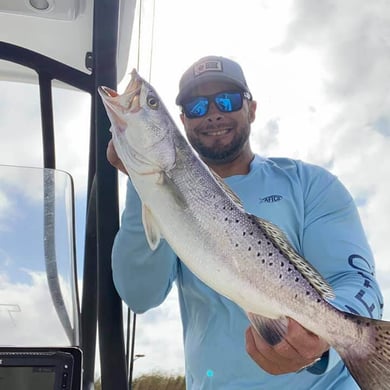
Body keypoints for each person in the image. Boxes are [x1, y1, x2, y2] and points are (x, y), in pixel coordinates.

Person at [107, 55, 384, 389]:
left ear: (251, 109)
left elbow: (356, 280)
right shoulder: (154, 193)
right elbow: (139, 295)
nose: (212, 113)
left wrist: (324, 338)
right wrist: (143, 184)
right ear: (181, 121)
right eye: (196, 107)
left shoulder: (311, 184)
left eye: (227, 100)